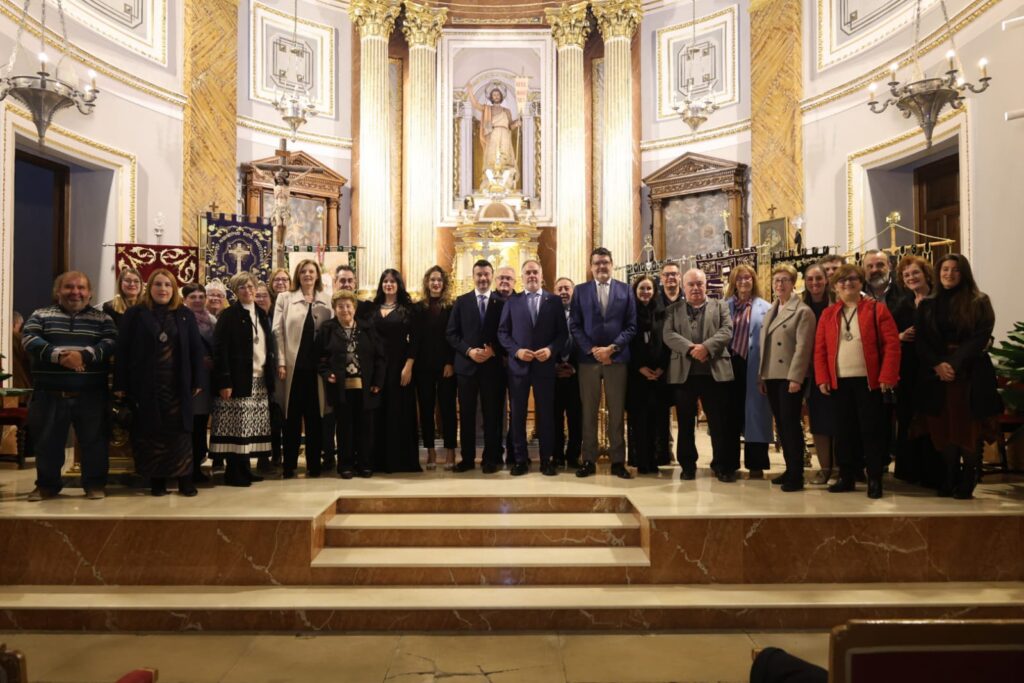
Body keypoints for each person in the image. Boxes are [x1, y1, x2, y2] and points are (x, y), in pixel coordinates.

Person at [22, 272, 118, 501]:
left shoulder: (103, 319)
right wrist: (59, 356)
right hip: (49, 393)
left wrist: (83, 356)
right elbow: (29, 339)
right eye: (69, 287)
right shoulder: (41, 315)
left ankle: (94, 485)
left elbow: (111, 342)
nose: (76, 292)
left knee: (94, 443)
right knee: (48, 443)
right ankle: (47, 486)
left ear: (90, 292)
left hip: (91, 394)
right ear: (58, 291)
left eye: (81, 288)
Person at [915, 254, 1002, 499]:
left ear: (963, 273)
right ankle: (950, 474)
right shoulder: (927, 304)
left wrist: (953, 364)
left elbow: (981, 336)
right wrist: (938, 365)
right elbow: (921, 341)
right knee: (943, 426)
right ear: (938, 272)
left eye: (955, 270)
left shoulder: (979, 301)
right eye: (945, 269)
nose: (949, 274)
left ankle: (969, 476)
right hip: (937, 375)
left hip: (970, 373)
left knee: (968, 427)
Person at [114, 270, 204, 497]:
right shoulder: (135, 314)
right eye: (158, 284)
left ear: (173, 289)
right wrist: (120, 384)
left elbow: (196, 350)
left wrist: (198, 379)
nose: (163, 289)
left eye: (167, 285)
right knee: (150, 433)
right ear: (149, 288)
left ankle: (185, 481)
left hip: (177, 385)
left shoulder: (184, 314)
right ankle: (157, 482)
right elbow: (122, 351)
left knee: (180, 435)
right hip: (146, 385)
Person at [814, 263, 900, 499]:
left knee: (871, 432)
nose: (847, 283)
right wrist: (822, 377)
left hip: (869, 382)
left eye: (853, 279)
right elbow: (820, 349)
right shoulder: (828, 314)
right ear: (835, 287)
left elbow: (892, 345)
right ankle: (846, 476)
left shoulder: (876, 310)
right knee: (844, 433)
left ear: (861, 283)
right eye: (842, 281)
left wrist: (887, 375)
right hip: (839, 382)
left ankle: (874, 479)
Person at [569, 247, 636, 479]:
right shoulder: (580, 291)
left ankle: (618, 461)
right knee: (588, 411)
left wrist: (612, 348)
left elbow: (631, 326)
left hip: (617, 359)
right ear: (591, 267)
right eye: (597, 263)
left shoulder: (626, 290)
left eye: (605, 262)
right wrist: (592, 349)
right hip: (588, 360)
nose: (601, 266)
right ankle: (588, 459)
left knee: (616, 412)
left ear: (612, 264)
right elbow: (575, 325)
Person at [497, 260, 568, 476]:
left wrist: (550, 350)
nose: (531, 276)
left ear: (541, 275)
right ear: (522, 277)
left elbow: (562, 334)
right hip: (518, 367)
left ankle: (547, 459)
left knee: (546, 414)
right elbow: (503, 332)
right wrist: (516, 351)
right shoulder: (513, 301)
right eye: (527, 272)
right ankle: (520, 460)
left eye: (535, 272)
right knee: (517, 415)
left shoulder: (553, 301)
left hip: (544, 367)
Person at [663, 268, 734, 481]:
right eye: (691, 284)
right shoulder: (673, 310)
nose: (695, 288)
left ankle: (721, 465)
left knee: (718, 422)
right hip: (684, 375)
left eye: (699, 284)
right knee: (685, 423)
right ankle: (687, 465)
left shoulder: (720, 306)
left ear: (706, 285)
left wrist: (706, 348)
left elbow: (726, 330)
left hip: (714, 373)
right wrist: (691, 349)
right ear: (683, 287)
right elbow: (668, 334)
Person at [210, 272, 276, 486]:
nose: (248, 291)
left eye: (250, 286)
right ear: (235, 292)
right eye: (242, 287)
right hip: (237, 379)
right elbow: (220, 349)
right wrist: (224, 381)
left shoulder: (261, 313)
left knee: (249, 427)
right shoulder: (228, 315)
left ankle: (245, 469)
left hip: (258, 379)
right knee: (236, 427)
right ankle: (233, 472)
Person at [758, 264, 816, 492]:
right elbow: (766, 345)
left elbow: (803, 348)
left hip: (790, 376)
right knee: (781, 425)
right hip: (772, 374)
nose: (780, 284)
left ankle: (797, 474)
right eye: (776, 280)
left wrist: (796, 378)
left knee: (791, 425)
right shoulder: (773, 308)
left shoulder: (802, 311)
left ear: (793, 283)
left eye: (784, 280)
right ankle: (790, 468)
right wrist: (762, 376)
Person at [273, 259, 333, 478]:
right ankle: (289, 465)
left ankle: (313, 465)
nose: (308, 275)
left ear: (317, 275)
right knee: (291, 418)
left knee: (315, 418)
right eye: (303, 271)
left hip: (316, 371)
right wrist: (281, 361)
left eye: (311, 271)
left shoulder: (326, 300)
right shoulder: (285, 298)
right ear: (298, 275)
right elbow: (278, 331)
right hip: (292, 369)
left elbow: (332, 333)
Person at [318, 290, 386, 478]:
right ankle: (345, 465)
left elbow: (380, 357)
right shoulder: (327, 329)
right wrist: (327, 373)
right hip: (340, 388)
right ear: (334, 309)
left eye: (348, 306)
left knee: (365, 427)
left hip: (366, 387)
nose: (345, 310)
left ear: (354, 308)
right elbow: (319, 357)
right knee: (345, 428)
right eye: (340, 306)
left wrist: (377, 382)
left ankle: (364, 464)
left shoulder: (367, 328)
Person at [446, 259, 506, 473]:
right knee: (467, 415)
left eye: (486, 274)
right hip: (466, 367)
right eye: (479, 275)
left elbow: (507, 332)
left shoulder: (501, 303)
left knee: (492, 415)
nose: (483, 278)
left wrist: (493, 350)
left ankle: (490, 459)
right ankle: (467, 459)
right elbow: (451, 334)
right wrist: (469, 351)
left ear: (492, 276)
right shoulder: (461, 302)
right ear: (473, 277)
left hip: (492, 368)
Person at [890, 255, 937, 486]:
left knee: (931, 419)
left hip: (933, 369)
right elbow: (889, 334)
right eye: (906, 275)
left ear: (926, 273)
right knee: (908, 418)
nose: (911, 278)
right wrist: (900, 336)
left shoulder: (939, 300)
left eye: (915, 273)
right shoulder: (903, 304)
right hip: (908, 369)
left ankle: (933, 472)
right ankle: (909, 471)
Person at [723, 264, 773, 480]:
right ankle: (729, 464)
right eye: (739, 278)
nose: (744, 282)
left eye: (748, 278)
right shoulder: (724, 307)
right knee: (729, 416)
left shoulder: (766, 308)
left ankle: (756, 464)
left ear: (753, 281)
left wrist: (765, 373)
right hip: (730, 365)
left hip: (754, 366)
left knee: (756, 415)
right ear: (733, 282)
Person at [370, 269, 421, 473]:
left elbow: (415, 341)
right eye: (385, 281)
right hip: (376, 367)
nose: (389, 284)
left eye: (393, 281)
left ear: (399, 285)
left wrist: (408, 366)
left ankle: (399, 461)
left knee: (397, 411)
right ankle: (377, 461)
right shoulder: (372, 309)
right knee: (377, 412)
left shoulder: (408, 310)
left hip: (399, 366)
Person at [413, 266, 457, 471]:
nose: (436, 283)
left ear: (444, 283)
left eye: (439, 280)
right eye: (432, 280)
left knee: (448, 409)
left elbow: (454, 337)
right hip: (423, 367)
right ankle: (430, 451)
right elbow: (416, 338)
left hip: (446, 366)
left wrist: (450, 362)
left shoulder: (452, 307)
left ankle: (450, 451)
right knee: (426, 409)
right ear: (427, 282)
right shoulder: (418, 308)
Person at [626, 275, 667, 475]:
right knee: (639, 420)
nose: (645, 292)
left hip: (658, 375)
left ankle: (655, 459)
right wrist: (639, 367)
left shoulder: (662, 312)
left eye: (649, 288)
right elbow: (627, 343)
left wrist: (661, 368)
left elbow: (667, 341)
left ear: (654, 291)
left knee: (656, 420)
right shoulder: (629, 312)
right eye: (641, 288)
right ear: (635, 291)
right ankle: (641, 460)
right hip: (636, 375)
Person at [802, 262, 837, 484]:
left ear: (826, 280)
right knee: (819, 422)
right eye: (810, 279)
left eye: (818, 278)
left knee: (839, 421)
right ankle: (825, 469)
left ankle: (841, 468)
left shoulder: (838, 302)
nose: (814, 283)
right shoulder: (800, 305)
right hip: (812, 372)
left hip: (836, 369)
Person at [182, 283, 216, 483]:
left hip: (208, 380)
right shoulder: (181, 318)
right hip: (190, 379)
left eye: (201, 297)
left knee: (202, 424)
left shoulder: (211, 320)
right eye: (192, 297)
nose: (197, 300)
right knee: (191, 425)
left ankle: (198, 464)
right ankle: (188, 468)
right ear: (185, 299)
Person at [552, 277, 582, 470]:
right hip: (553, 375)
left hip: (576, 374)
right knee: (555, 417)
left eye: (567, 288)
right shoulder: (548, 314)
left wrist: (574, 366)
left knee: (576, 417)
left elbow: (586, 340)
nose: (563, 292)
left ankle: (573, 455)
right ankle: (556, 456)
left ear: (573, 291)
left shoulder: (582, 314)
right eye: (560, 289)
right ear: (554, 292)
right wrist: (555, 365)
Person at [655, 262, 683, 466]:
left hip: (684, 361)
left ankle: (685, 453)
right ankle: (665, 450)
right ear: (661, 278)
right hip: (660, 364)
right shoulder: (654, 301)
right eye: (667, 275)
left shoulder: (688, 298)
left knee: (685, 410)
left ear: (680, 277)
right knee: (661, 409)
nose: (671, 278)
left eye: (674, 274)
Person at [266, 268, 291, 471]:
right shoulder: (266, 303)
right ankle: (273, 452)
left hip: (286, 362)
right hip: (269, 364)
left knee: (284, 410)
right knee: (272, 411)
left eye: (285, 279)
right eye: (277, 279)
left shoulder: (291, 302)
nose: (281, 283)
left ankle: (284, 451)